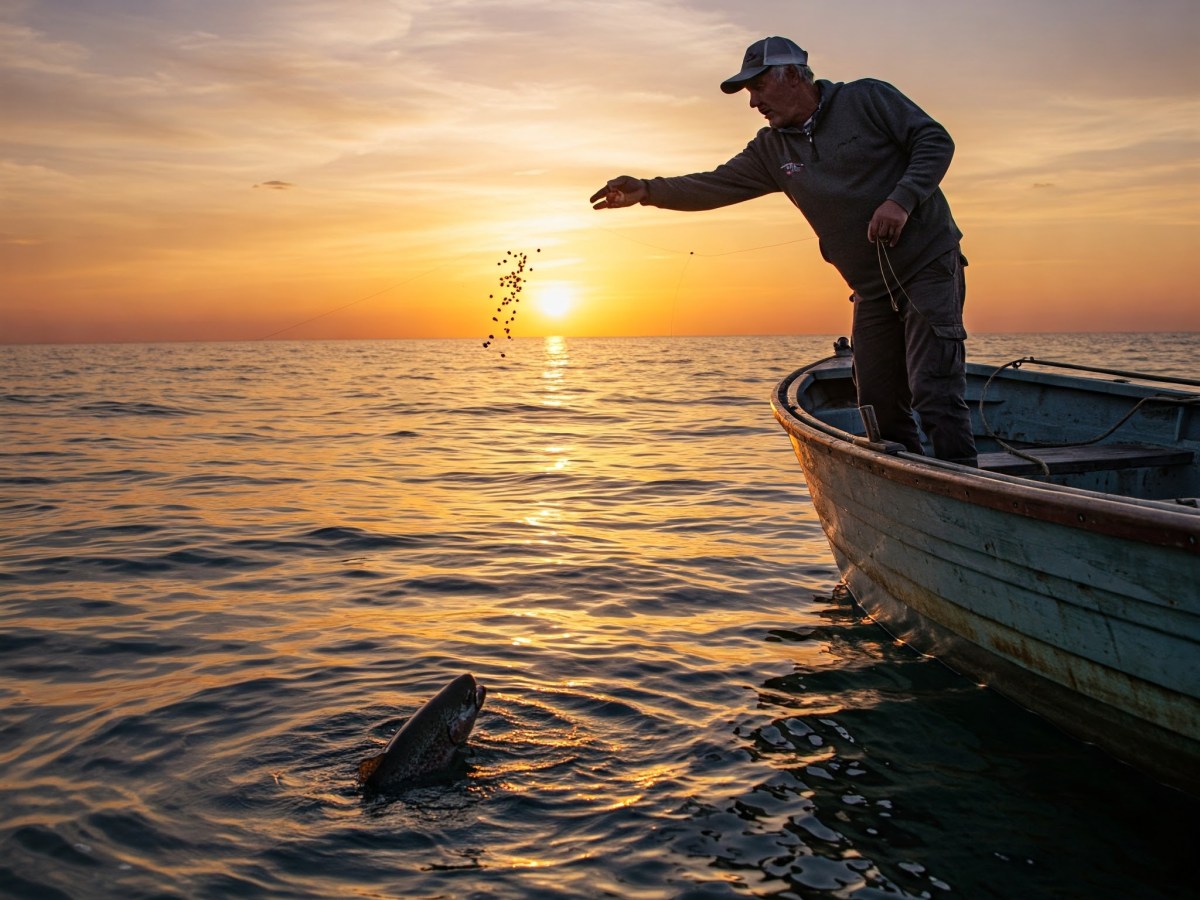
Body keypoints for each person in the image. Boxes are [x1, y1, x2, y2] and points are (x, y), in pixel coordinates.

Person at [589, 36, 977, 465]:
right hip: (871, 287)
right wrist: (647, 190)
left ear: (792, 75)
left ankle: (970, 489)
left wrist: (901, 200)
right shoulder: (772, 149)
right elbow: (713, 184)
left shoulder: (866, 98)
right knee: (878, 402)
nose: (753, 103)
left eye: (757, 88)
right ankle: (917, 491)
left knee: (934, 389)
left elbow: (934, 140)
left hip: (926, 264)